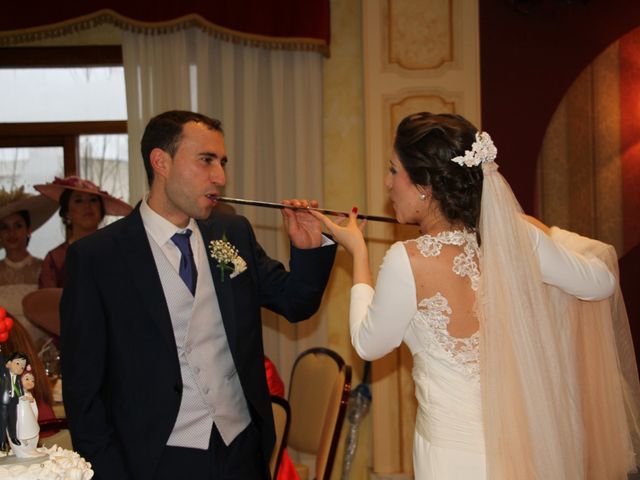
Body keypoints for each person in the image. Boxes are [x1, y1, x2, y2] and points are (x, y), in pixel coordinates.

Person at [312, 112, 639, 479]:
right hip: (521, 447)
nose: (387, 184)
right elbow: (601, 283)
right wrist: (547, 234)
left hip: (449, 457)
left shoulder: (407, 261)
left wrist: (357, 254)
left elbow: (368, 344)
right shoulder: (519, 240)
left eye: (393, 171)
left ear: (425, 185)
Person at [60, 110, 337, 480]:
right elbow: (84, 389)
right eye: (206, 160)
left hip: (241, 448)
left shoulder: (231, 231)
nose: (220, 177)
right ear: (161, 161)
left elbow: (295, 302)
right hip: (156, 458)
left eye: (222, 162)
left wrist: (309, 250)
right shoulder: (98, 257)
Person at [35, 176, 133, 288]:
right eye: (78, 200)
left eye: (93, 200)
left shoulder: (118, 253)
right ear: (67, 213)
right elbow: (46, 301)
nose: (87, 205)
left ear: (101, 210)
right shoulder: (56, 258)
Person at [0, 187, 57, 345]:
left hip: (40, 354)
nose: (12, 233)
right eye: (4, 227)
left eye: (18, 226)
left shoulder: (45, 268)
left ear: (28, 230)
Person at [0, 350, 27, 449]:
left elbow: (20, 388)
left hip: (13, 402)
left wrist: (22, 396)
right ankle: (2, 441)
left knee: (13, 420)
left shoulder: (18, 378)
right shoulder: (3, 373)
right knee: (2, 422)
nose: (20, 367)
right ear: (8, 363)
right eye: (18, 363)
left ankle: (13, 437)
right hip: (3, 401)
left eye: (23, 366)